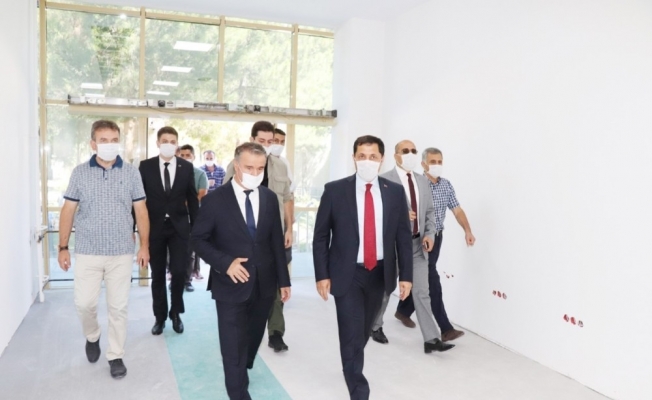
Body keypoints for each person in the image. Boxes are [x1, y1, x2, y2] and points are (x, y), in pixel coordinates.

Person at [312, 135, 413, 400]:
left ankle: (350, 361)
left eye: (373, 156)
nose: (367, 161)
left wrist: (406, 276)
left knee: (363, 329)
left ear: (382, 159)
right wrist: (322, 274)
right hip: (347, 272)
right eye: (361, 156)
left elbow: (403, 237)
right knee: (350, 329)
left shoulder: (394, 192)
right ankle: (357, 387)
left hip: (380, 272)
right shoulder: (335, 190)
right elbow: (321, 236)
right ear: (354, 158)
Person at [192, 142, 291, 400]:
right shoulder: (215, 200)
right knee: (232, 346)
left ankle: (241, 368)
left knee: (252, 338)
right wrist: (226, 263)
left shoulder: (269, 198)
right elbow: (198, 239)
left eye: (260, 168)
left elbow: (275, 241)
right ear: (236, 166)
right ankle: (238, 391)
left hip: (264, 283)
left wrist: (284, 280)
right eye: (249, 167)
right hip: (229, 284)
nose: (255, 173)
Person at [57, 120, 150, 379]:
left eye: (114, 140)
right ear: (93, 144)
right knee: (84, 304)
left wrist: (144, 246)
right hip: (88, 250)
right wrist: (63, 246)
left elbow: (141, 211)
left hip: (121, 252)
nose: (109, 145)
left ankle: (116, 355)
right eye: (104, 140)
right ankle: (92, 335)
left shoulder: (131, 173)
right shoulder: (79, 173)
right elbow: (68, 210)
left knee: (118, 307)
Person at [370, 140, 455, 353]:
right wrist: (398, 215)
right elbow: (375, 214)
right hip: (393, 246)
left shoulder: (422, 181)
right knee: (386, 289)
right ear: (395, 155)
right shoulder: (383, 180)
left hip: (418, 245)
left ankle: (431, 339)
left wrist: (430, 234)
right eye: (405, 151)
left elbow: (430, 212)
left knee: (422, 291)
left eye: (413, 151)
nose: (410, 154)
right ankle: (375, 326)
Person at [225, 121, 294, 353]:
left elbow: (287, 198)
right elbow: (226, 201)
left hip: (274, 237)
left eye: (270, 141)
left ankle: (276, 333)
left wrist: (289, 228)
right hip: (246, 237)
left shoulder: (280, 166)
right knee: (248, 285)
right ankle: (243, 331)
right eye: (261, 141)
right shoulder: (235, 165)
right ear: (252, 139)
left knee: (276, 285)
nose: (266, 145)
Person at [394, 147, 475, 342]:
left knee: (423, 278)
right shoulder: (416, 184)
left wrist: (467, 230)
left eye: (439, 162)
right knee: (432, 280)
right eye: (433, 162)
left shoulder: (446, 185)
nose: (437, 165)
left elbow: (457, 210)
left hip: (436, 238)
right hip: (420, 239)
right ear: (423, 164)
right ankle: (445, 328)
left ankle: (403, 310)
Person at [138, 127, 199, 336]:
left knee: (179, 271)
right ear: (157, 143)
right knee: (157, 275)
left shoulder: (186, 167)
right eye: (165, 140)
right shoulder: (145, 167)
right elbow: (138, 201)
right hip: (154, 227)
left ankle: (176, 313)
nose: (169, 144)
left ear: (177, 144)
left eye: (173, 141)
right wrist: (134, 227)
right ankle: (160, 317)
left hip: (179, 227)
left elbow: (192, 199)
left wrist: (197, 229)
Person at [178, 144, 209, 288]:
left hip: (193, 217)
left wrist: (182, 203)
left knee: (189, 250)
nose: (185, 158)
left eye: (188, 155)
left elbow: (201, 194)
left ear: (193, 157)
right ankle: (176, 279)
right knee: (175, 250)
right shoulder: (172, 173)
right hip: (175, 217)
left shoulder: (200, 174)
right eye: (182, 155)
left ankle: (187, 280)